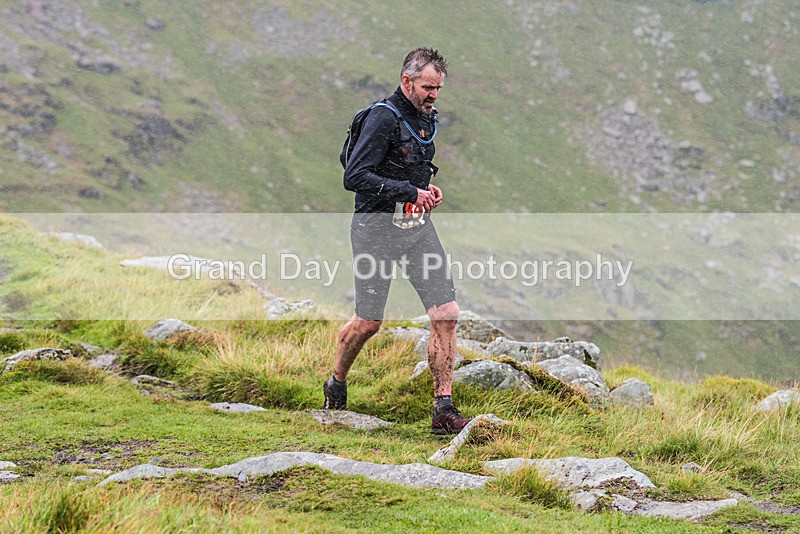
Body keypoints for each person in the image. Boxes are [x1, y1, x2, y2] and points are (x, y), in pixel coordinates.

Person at [324, 48, 472, 435]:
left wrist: (426, 190)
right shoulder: (382, 118)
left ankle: (443, 410)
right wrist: (409, 191)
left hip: (416, 228)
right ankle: (336, 383)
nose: (433, 95)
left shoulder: (425, 118)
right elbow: (355, 177)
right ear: (407, 81)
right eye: (427, 87)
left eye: (438, 88)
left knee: (446, 312)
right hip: (374, 230)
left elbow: (410, 167)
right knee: (368, 323)